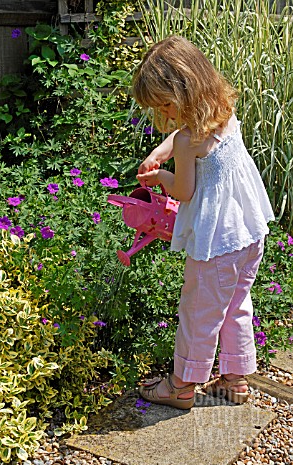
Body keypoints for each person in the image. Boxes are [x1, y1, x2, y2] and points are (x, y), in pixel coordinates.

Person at [131, 35, 275, 410]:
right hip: (248, 231)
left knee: (199, 311)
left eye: (165, 104)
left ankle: (180, 386)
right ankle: (235, 379)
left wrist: (159, 178)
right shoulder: (224, 109)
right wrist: (159, 152)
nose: (164, 114)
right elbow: (182, 139)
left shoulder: (187, 141)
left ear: (183, 91)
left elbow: (183, 191)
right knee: (235, 303)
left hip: (217, 243)